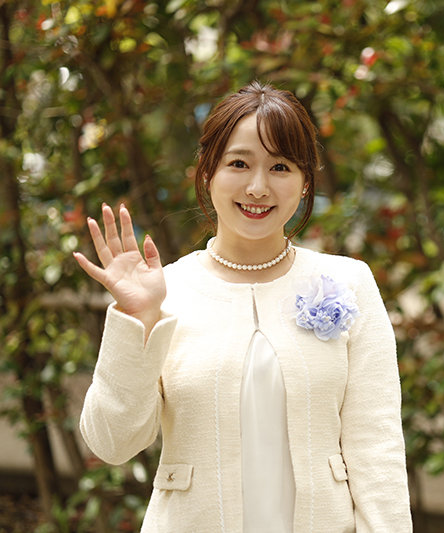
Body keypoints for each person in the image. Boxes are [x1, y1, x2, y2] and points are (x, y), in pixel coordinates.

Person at [74, 81, 412, 533]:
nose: (258, 187)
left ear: (305, 181)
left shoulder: (349, 282)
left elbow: (377, 449)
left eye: (280, 167)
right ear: (207, 172)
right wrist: (139, 319)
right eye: (239, 163)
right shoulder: (166, 290)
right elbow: (112, 444)